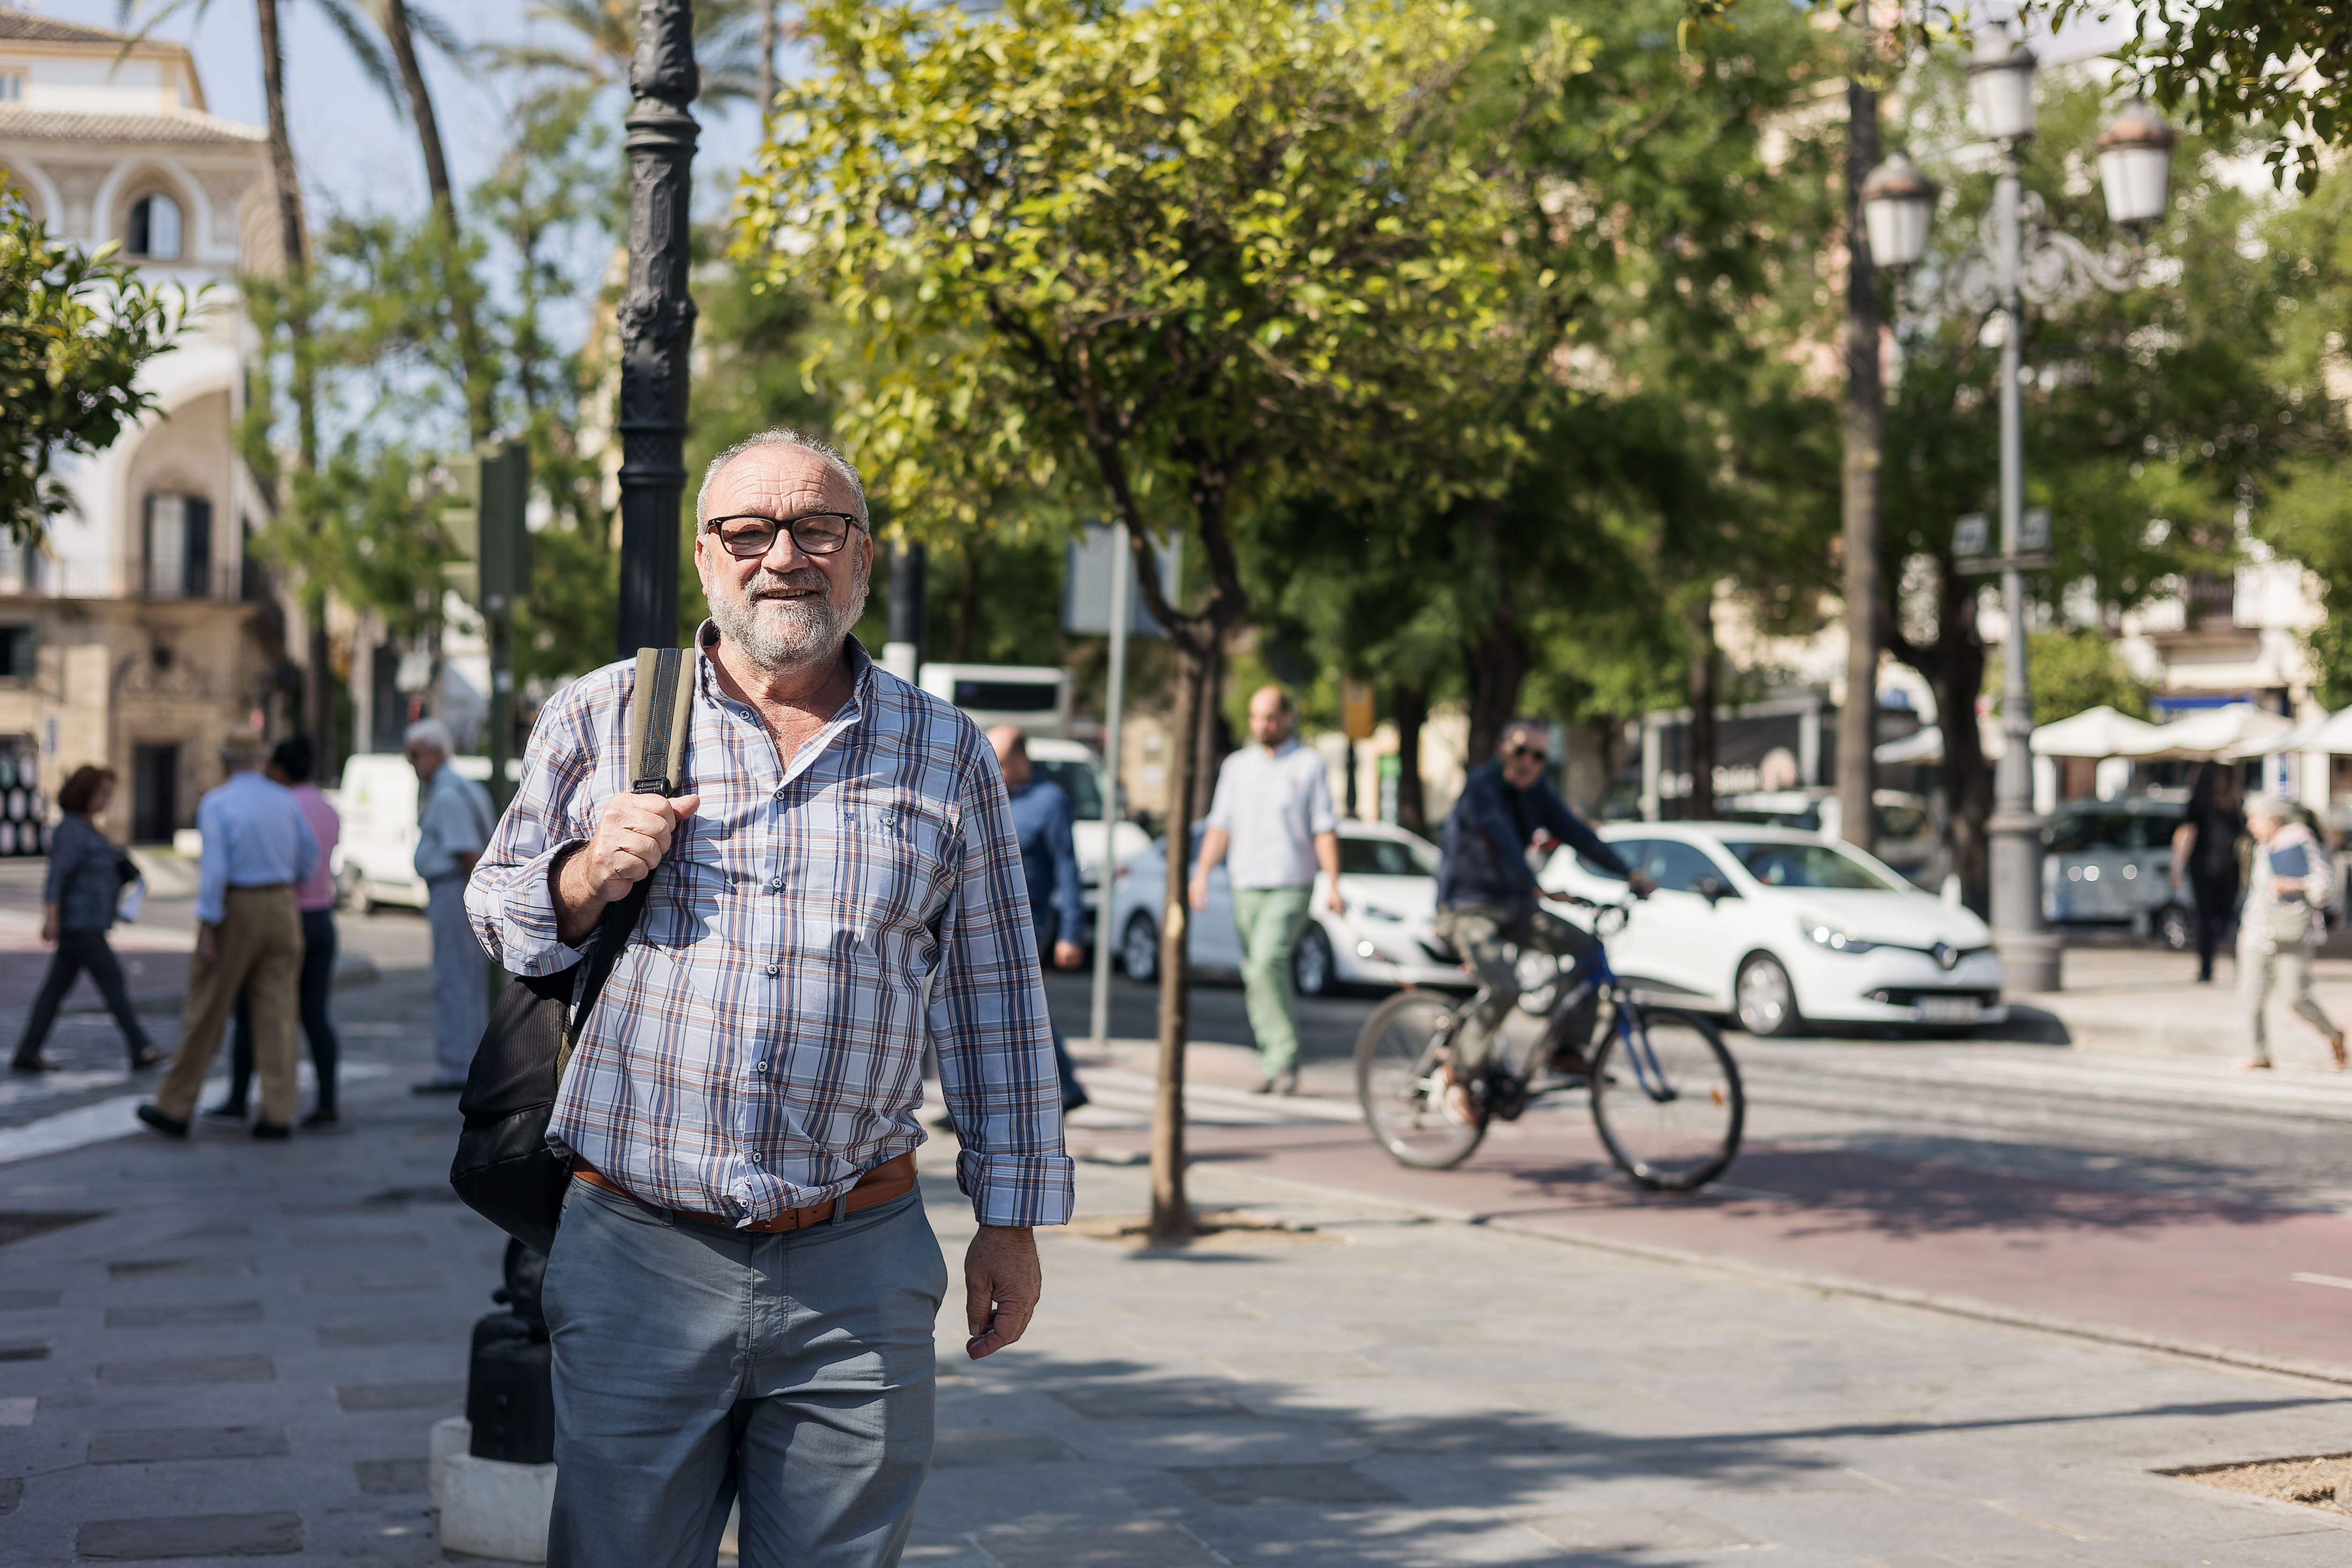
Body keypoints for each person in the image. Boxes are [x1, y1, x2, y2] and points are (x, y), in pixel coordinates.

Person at [466, 428, 1071, 1568]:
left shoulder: (943, 750)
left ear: (863, 555)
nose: (783, 556)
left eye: (817, 528)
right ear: (706, 557)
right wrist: (585, 876)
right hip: (637, 1249)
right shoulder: (606, 713)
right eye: (748, 531)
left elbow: (993, 996)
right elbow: (496, 914)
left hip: (857, 1258)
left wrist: (1011, 1218)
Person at [1433, 720, 1654, 1121]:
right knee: (1505, 986)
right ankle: (1459, 1075)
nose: (1529, 763)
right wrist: (1534, 884)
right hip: (1467, 906)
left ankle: (1565, 1049)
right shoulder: (1482, 788)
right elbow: (1500, 839)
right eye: (1520, 752)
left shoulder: (1536, 794)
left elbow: (1576, 833)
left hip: (1514, 906)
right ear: (1502, 750)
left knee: (1588, 950)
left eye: (1538, 756)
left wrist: (1628, 873)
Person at [137, 732, 318, 1140]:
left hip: (238, 902)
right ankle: (278, 1112)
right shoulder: (286, 800)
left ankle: (175, 1105)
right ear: (262, 760)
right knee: (278, 1013)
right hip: (282, 902)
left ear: (224, 762)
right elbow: (309, 859)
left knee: (206, 1008)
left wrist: (208, 922)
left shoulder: (218, 803)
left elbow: (215, 870)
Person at [1189, 686, 1343, 1096]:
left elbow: (1323, 827)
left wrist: (1333, 882)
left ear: (1288, 718)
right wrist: (1201, 873)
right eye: (1257, 717)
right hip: (1245, 883)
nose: (1263, 725)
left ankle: (1284, 1056)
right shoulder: (1237, 767)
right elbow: (1220, 824)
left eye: (1271, 717)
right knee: (1254, 973)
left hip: (1291, 882)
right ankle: (1271, 1059)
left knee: (1267, 961)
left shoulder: (1307, 764)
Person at [207, 737, 343, 1127]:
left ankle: (239, 1097)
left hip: (285, 914)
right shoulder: (328, 808)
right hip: (322, 916)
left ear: (279, 769)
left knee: (254, 1010)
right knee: (315, 1014)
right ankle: (327, 1100)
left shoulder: (280, 803)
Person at [12, 765, 164, 1074]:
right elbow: (57, 876)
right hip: (80, 924)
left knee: (55, 990)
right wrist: (51, 917)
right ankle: (140, 1047)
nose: (108, 799)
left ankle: (28, 1051)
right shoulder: (71, 830)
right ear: (86, 793)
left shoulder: (88, 828)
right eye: (103, 792)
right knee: (112, 980)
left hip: (89, 922)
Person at [988, 724, 1090, 1112]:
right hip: (982, 920)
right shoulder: (989, 797)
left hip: (1028, 923)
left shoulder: (1050, 802)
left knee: (1013, 1006)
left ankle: (1064, 1085)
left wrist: (1071, 934)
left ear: (1020, 759)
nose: (994, 771)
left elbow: (1067, 869)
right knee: (998, 1009)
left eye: (1000, 763)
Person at [407, 718, 496, 1094]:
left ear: (435, 752)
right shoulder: (462, 787)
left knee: (454, 978)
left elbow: (467, 853)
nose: (411, 764)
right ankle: (469, 1062)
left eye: (414, 755)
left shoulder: (446, 794)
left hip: (454, 891)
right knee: (467, 979)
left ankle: (457, 1065)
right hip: (461, 889)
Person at [2238, 793, 2345, 1072]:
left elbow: (2324, 887)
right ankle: (2258, 1054)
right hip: (2256, 932)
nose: (2251, 825)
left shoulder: (2299, 842)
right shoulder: (2262, 847)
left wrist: (2295, 885)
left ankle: (2334, 1034)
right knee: (2251, 997)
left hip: (2292, 933)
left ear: (2273, 819)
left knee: (2296, 997)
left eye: (2255, 819)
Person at [2171, 761, 2244, 983]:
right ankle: (2241, 967)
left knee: (2204, 919)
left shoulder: (2198, 802)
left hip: (2203, 865)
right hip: (2230, 864)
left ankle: (2206, 970)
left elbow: (2187, 833)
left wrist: (2178, 865)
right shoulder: (2234, 802)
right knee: (2229, 918)